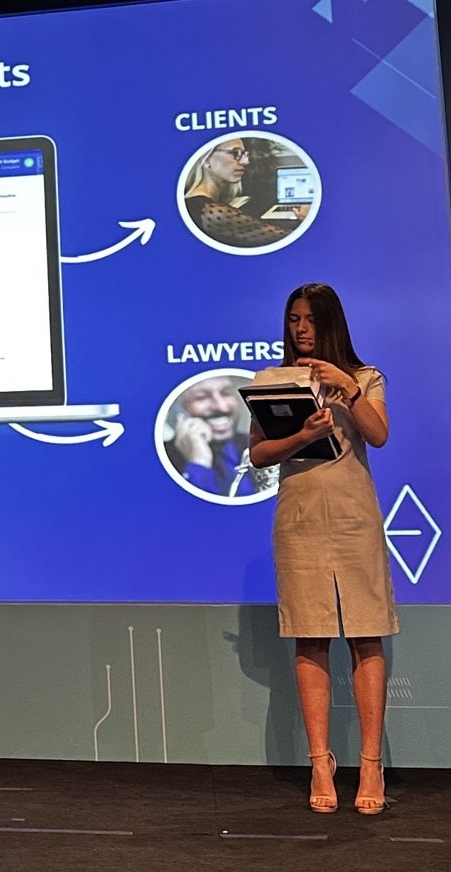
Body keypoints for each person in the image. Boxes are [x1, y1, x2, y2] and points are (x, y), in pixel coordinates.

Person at [249, 284, 393, 816]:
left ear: (331, 322)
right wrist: (302, 436)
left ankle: (371, 763)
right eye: (293, 319)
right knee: (310, 638)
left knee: (365, 634)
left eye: (310, 319)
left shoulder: (365, 377)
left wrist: (347, 391)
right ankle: (319, 761)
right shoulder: (273, 382)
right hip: (300, 519)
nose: (301, 329)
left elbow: (378, 435)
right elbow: (259, 454)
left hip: (354, 519)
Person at [163, 375, 276, 498]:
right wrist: (199, 465)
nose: (222, 407)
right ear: (178, 412)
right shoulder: (163, 461)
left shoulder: (256, 444)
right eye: (201, 397)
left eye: (226, 393)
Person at [184, 137, 305, 248]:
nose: (246, 161)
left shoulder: (197, 202)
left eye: (244, 154)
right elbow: (292, 239)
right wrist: (305, 217)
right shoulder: (212, 212)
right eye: (235, 153)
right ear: (206, 159)